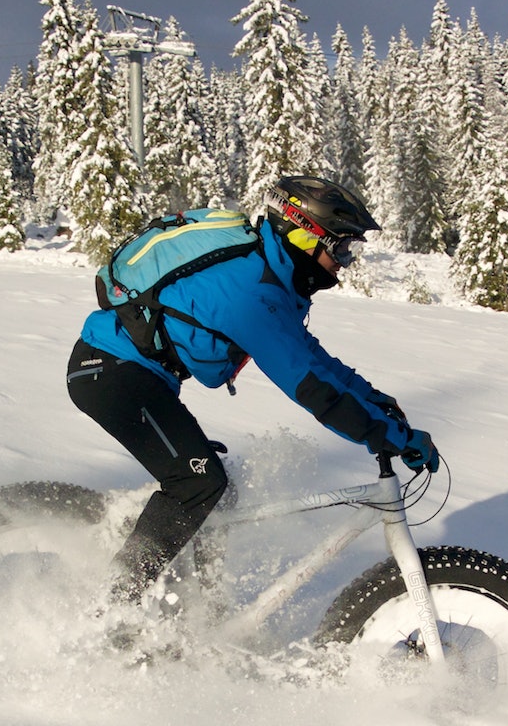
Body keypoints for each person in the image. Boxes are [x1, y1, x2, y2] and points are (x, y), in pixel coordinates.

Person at [66, 176, 440, 606]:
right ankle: (109, 609)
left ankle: (197, 612)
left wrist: (375, 401)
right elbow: (314, 389)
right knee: (197, 480)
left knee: (221, 487)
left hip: (138, 375)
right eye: (341, 248)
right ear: (305, 234)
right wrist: (392, 437)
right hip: (111, 374)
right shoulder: (250, 291)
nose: (344, 262)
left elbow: (312, 357)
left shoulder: (269, 278)